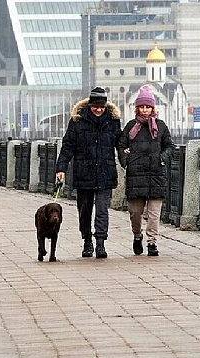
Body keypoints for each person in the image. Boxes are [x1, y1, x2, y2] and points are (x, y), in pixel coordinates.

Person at [56, 87, 122, 259]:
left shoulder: (113, 120)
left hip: (105, 172)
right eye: (95, 106)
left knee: (102, 210)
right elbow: (68, 146)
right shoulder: (78, 121)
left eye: (102, 106)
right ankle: (87, 241)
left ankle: (100, 243)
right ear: (90, 105)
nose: (99, 109)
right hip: (83, 172)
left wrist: (128, 163)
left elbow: (120, 144)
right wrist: (61, 168)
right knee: (85, 210)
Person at [117, 85, 174, 257]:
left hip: (156, 175)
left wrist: (162, 158)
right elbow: (121, 145)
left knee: (154, 214)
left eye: (148, 107)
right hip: (136, 176)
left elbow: (169, 146)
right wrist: (126, 161)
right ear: (137, 108)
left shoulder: (161, 127)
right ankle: (137, 235)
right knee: (135, 212)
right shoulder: (130, 127)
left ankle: (152, 242)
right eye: (142, 106)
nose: (145, 110)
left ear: (152, 108)